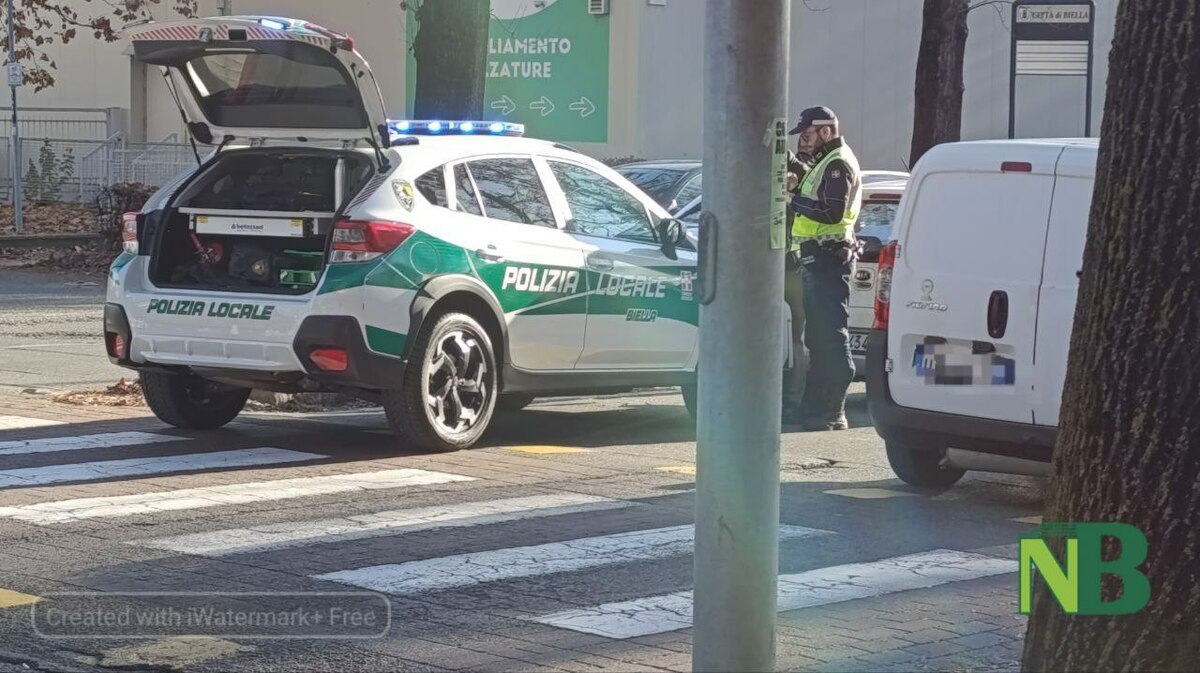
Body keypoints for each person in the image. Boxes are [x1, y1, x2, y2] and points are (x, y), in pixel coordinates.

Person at [786, 106, 863, 431]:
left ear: (826, 132)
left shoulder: (837, 164)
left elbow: (832, 212)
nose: (804, 142)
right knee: (818, 336)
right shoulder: (825, 164)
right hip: (819, 258)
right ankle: (815, 410)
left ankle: (831, 411)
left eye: (807, 135)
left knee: (829, 335)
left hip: (828, 259)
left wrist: (793, 198)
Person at [781, 152, 810, 422]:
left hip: (788, 270)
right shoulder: (800, 190)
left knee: (795, 338)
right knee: (793, 338)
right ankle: (790, 398)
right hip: (786, 270)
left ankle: (791, 398)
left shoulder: (793, 197)